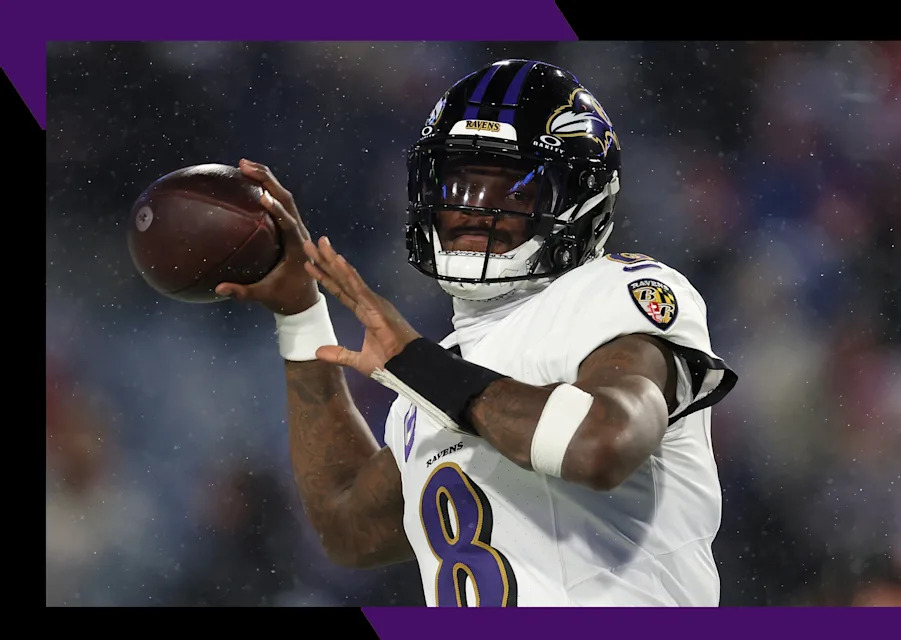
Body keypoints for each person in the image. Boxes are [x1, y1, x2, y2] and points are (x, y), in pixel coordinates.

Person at [214, 59, 739, 607]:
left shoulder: (614, 292)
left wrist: (414, 364)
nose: (472, 209)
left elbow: (601, 444)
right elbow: (349, 530)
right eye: (457, 182)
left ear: (578, 200)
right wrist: (300, 314)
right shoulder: (437, 374)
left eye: (510, 188)